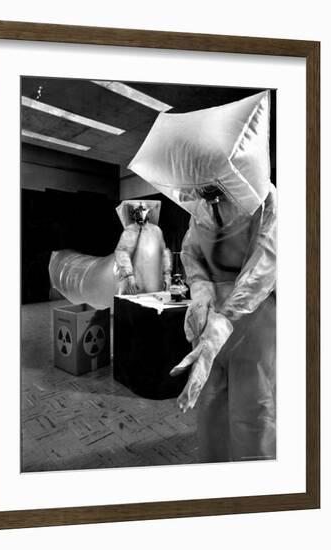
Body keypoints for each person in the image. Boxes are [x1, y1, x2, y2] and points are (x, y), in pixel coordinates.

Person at [128, 90, 276, 462]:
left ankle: (256, 494)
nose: (203, 197)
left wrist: (224, 320)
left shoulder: (269, 203)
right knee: (210, 408)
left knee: (253, 411)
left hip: (256, 322)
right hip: (209, 318)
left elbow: (265, 266)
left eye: (210, 189)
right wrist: (200, 290)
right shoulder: (201, 210)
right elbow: (192, 252)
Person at [115, 201, 172, 295]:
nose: (141, 213)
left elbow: (164, 253)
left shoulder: (156, 231)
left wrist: (167, 275)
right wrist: (129, 276)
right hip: (135, 279)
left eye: (143, 210)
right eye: (137, 210)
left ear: (148, 212)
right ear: (133, 213)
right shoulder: (129, 231)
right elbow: (122, 253)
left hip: (153, 278)